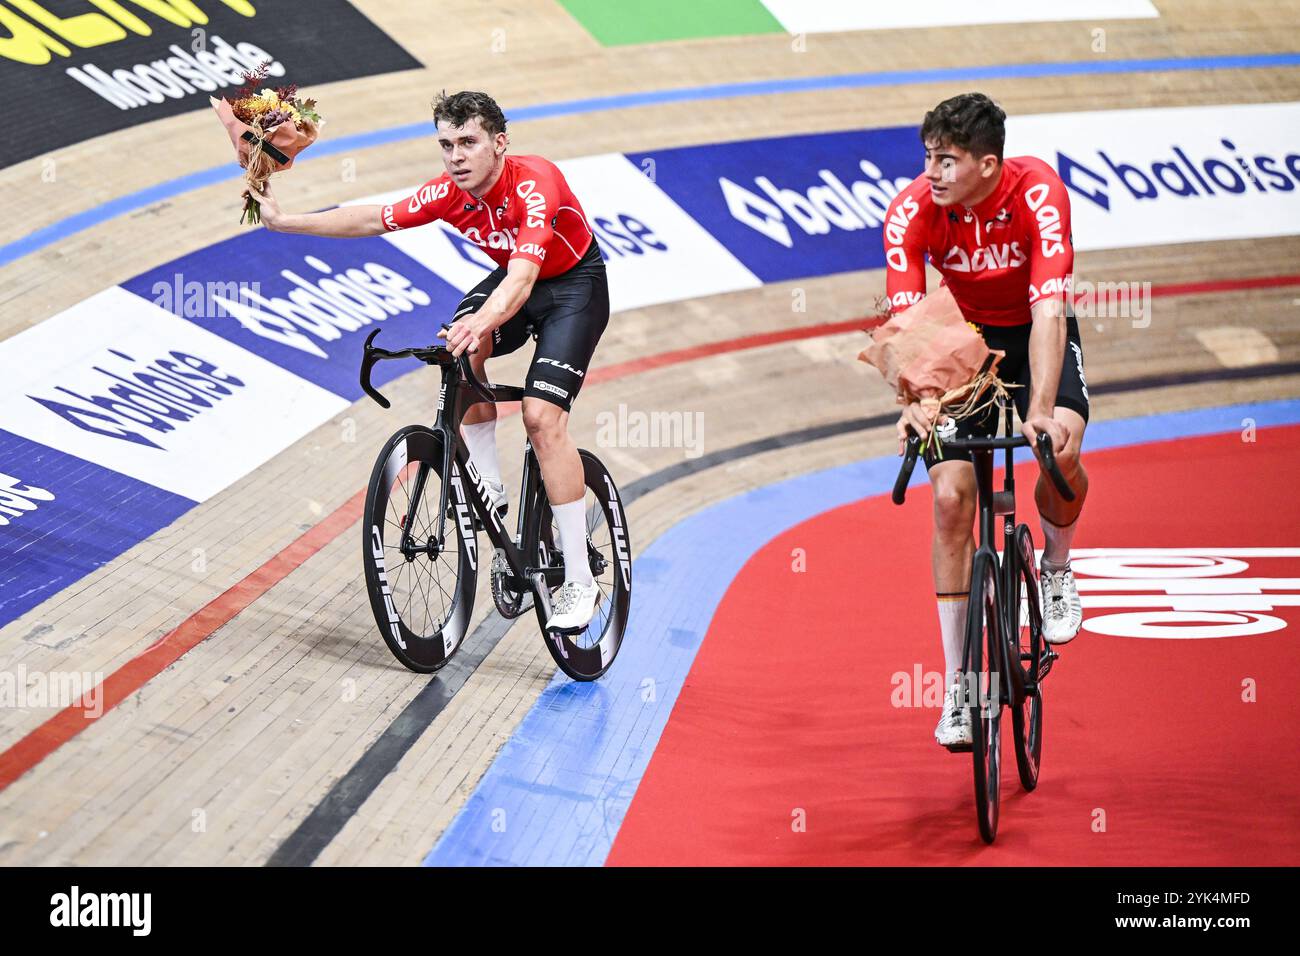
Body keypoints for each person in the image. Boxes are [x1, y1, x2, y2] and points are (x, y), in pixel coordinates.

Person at [246, 90, 608, 632]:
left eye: (468, 142)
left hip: (572, 287)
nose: (456, 156)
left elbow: (523, 279)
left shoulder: (536, 182)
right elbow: (371, 219)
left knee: (540, 417)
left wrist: (482, 321)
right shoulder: (447, 192)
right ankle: (489, 481)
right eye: (446, 144)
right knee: (459, 347)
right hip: (514, 281)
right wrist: (284, 221)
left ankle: (579, 580)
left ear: (499, 143)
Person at [881, 93, 1090, 749]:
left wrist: (1038, 411)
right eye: (928, 158)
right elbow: (907, 322)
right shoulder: (912, 210)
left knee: (1063, 443)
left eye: (947, 160)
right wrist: (915, 399)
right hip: (957, 342)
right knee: (949, 500)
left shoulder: (1039, 195)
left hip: (1034, 331)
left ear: (989, 164)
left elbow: (1051, 313)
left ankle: (1056, 567)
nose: (932, 173)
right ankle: (960, 692)